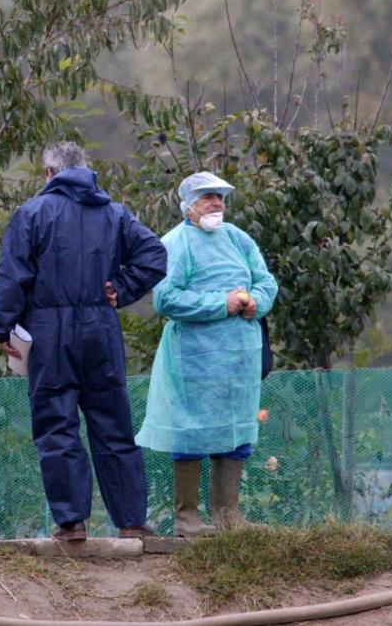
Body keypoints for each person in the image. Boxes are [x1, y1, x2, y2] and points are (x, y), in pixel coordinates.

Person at [0, 141, 167, 541]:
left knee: (57, 425)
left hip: (49, 330)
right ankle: (131, 522)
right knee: (114, 424)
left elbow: (12, 276)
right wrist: (120, 289)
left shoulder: (33, 213)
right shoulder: (115, 213)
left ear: (49, 174)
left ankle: (71, 523)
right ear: (85, 170)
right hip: (101, 331)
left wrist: (4, 327)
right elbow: (154, 255)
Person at [135, 171, 278, 536]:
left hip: (240, 359)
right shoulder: (176, 243)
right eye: (206, 197)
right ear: (188, 206)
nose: (216, 203)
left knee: (237, 430)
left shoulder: (238, 239)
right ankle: (187, 519)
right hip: (195, 358)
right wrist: (222, 303)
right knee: (192, 433)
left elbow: (265, 281)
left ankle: (229, 516)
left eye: (219, 197)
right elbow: (166, 298)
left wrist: (256, 302)